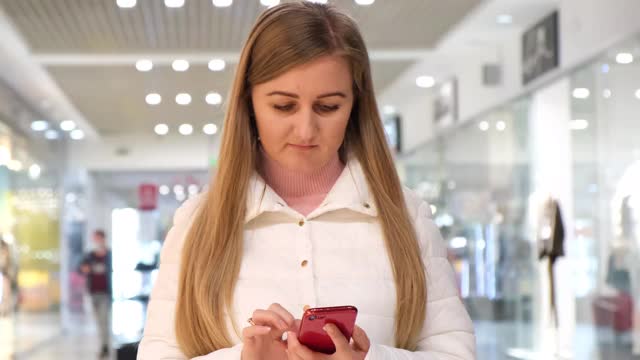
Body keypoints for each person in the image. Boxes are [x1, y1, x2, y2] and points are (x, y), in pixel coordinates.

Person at [138, 2, 475, 359]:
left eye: (328, 107)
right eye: (283, 106)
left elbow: (455, 353)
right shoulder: (197, 222)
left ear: (355, 106)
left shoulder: (406, 215)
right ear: (249, 103)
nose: (306, 129)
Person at [80, 229, 113, 358]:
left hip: (105, 293)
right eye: (95, 239)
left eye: (99, 239)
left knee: (104, 320)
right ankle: (103, 345)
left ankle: (105, 347)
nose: (97, 241)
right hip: (93, 292)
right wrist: (85, 269)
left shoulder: (109, 255)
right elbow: (81, 268)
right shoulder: (90, 255)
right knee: (99, 322)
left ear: (103, 239)